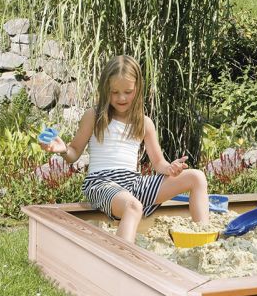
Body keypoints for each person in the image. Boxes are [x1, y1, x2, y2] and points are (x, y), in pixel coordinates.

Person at [39, 55, 209, 243]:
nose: (121, 98)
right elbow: (73, 154)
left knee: (197, 177)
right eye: (114, 92)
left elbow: (159, 163)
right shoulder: (93, 116)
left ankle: (203, 240)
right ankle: (121, 260)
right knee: (133, 206)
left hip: (133, 183)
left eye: (128, 92)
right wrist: (63, 149)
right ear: (105, 90)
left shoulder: (144, 123)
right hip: (101, 182)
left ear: (137, 88)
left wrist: (170, 169)